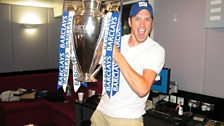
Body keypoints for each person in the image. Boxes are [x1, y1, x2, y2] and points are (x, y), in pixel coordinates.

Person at [91, 1, 165, 126]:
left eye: (147, 19)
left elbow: (142, 89)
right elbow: (95, 65)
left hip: (127, 119)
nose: (142, 24)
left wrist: (117, 56)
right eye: (137, 19)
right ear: (130, 22)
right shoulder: (117, 41)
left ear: (151, 23)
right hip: (101, 113)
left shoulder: (155, 50)